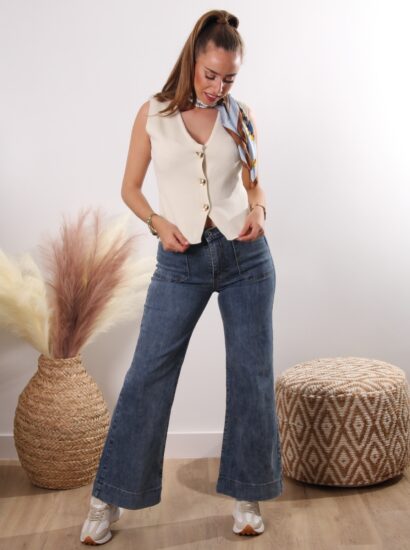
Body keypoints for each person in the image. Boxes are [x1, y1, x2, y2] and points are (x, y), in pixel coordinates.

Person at [80, 8, 283, 545]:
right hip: (180, 260)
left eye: (229, 78)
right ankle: (107, 499)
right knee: (147, 375)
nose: (219, 87)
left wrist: (259, 210)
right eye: (211, 74)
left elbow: (255, 184)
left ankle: (247, 496)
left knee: (251, 375)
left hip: (245, 260)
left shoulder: (241, 116)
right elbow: (130, 188)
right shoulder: (153, 114)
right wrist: (157, 222)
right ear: (193, 59)